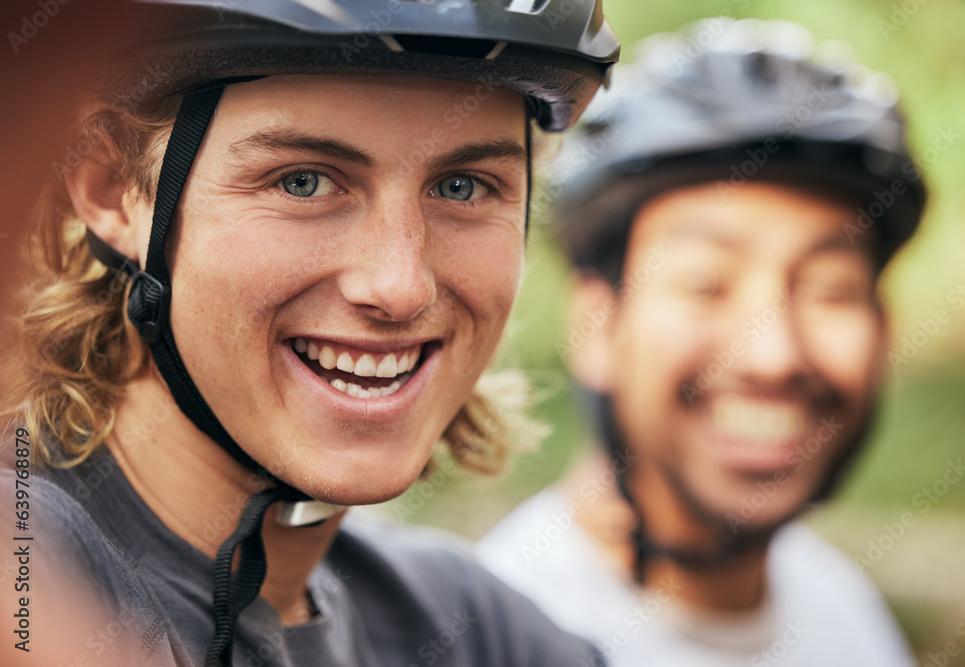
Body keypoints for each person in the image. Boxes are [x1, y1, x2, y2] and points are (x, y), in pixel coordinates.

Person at [0, 1, 620, 665]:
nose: (399, 285)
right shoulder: (28, 566)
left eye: (463, 187)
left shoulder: (478, 629)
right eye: (304, 181)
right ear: (113, 191)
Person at [477, 18, 924, 667]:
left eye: (830, 290)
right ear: (598, 324)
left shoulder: (842, 609)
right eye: (706, 284)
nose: (773, 355)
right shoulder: (495, 637)